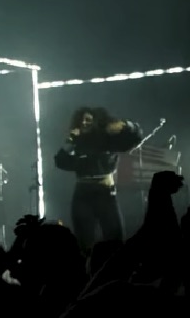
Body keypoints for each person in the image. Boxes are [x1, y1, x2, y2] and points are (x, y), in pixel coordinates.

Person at [54, 106, 143, 251]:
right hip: (83, 194)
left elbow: (136, 138)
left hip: (106, 193)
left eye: (88, 120)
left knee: (115, 238)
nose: (84, 123)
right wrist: (70, 142)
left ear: (96, 122)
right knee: (84, 242)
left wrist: (126, 125)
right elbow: (60, 162)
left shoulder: (108, 139)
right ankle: (87, 269)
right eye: (81, 120)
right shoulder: (77, 142)